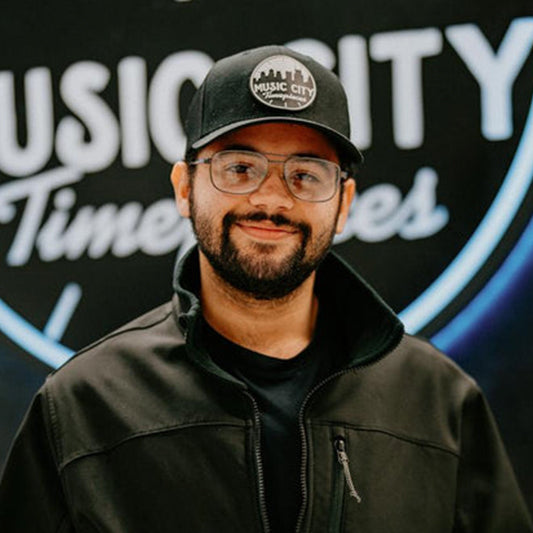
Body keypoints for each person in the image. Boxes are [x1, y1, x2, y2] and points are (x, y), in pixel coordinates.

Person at [0, 45, 531, 533]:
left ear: (343, 204)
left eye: (306, 174)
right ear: (185, 189)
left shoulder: (438, 401)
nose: (272, 199)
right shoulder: (84, 405)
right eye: (239, 168)